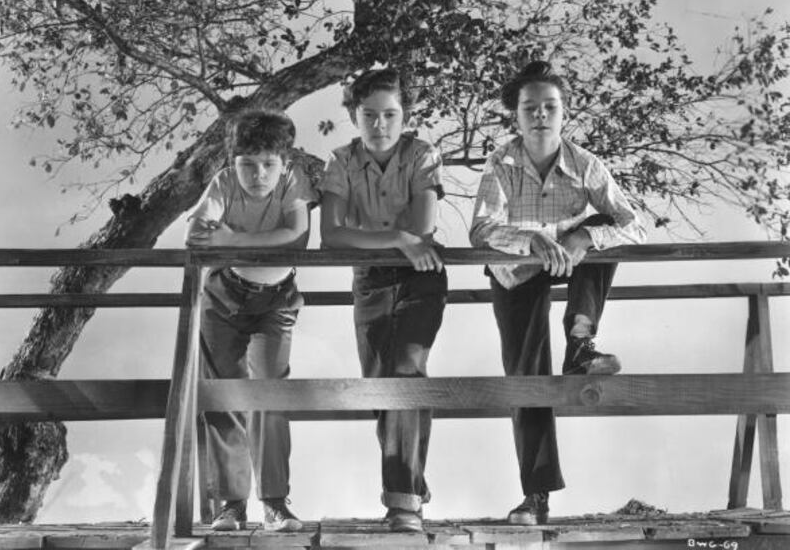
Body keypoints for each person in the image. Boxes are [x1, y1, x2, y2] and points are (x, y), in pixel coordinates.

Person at [469, 61, 646, 526]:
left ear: (564, 112)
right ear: (516, 115)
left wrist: (584, 237)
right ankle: (536, 495)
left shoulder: (585, 163)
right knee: (527, 376)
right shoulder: (502, 162)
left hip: (569, 259)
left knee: (602, 229)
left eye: (550, 106)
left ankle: (580, 342)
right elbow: (481, 229)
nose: (540, 115)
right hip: (516, 270)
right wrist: (529, 239)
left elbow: (635, 225)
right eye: (530, 107)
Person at [318, 68, 448, 533]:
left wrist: (398, 238)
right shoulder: (340, 161)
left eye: (390, 114)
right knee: (379, 387)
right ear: (355, 115)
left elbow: (423, 231)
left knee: (406, 373)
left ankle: (403, 502)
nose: (380, 124)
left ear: (404, 115)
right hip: (370, 280)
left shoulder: (422, 154)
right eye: (369, 114)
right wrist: (395, 237)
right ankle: (411, 478)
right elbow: (331, 236)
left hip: (421, 275)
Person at [185, 110, 317, 532]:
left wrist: (232, 239)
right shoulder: (224, 183)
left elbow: (296, 236)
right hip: (224, 295)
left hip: (276, 300)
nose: (258, 174)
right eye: (247, 164)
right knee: (223, 394)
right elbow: (195, 235)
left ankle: (275, 502)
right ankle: (231, 504)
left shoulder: (293, 181)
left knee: (270, 392)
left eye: (268, 164)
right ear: (233, 162)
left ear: (283, 163)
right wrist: (239, 243)